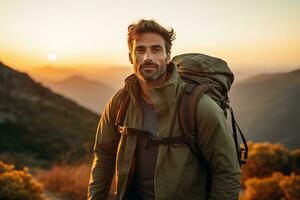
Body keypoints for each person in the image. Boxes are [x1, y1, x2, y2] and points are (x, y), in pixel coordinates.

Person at [87, 19, 241, 200]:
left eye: (156, 49)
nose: (147, 57)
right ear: (130, 56)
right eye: (140, 50)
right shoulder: (121, 102)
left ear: (168, 56)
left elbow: (227, 171)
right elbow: (104, 156)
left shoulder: (197, 105)